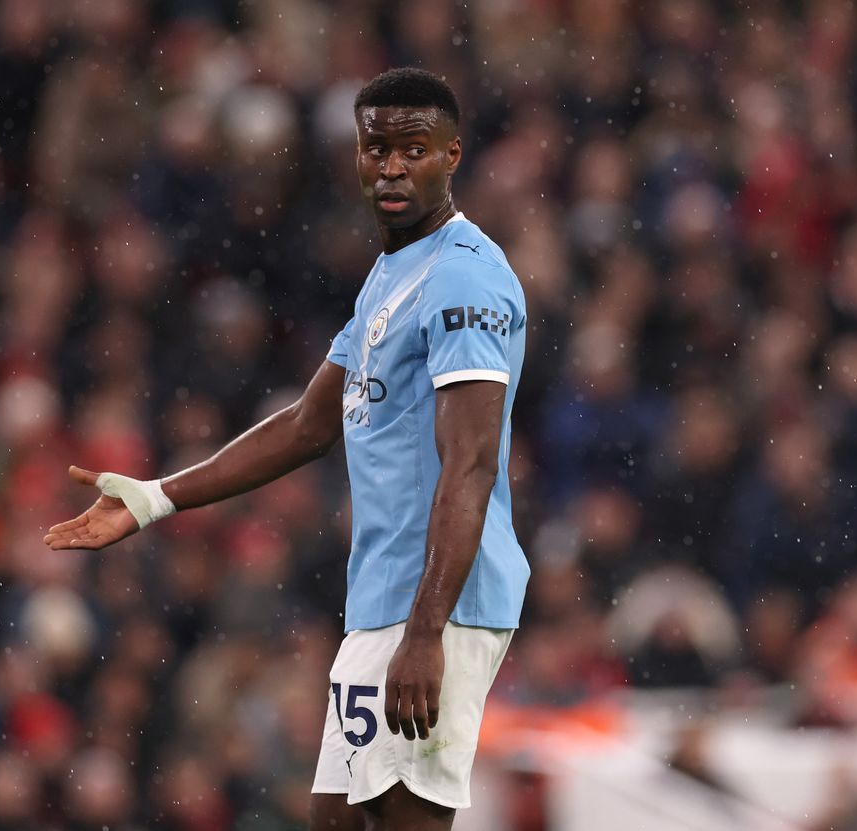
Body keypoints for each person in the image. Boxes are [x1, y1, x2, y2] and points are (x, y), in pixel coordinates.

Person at [44, 67, 529, 831]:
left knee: (403, 815)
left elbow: (470, 464)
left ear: (452, 155)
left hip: (435, 601)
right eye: (377, 149)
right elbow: (309, 421)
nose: (392, 167)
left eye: (414, 148)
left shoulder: (465, 279)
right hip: (382, 601)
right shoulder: (391, 275)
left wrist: (427, 632)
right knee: (334, 817)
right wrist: (158, 495)